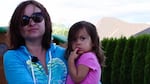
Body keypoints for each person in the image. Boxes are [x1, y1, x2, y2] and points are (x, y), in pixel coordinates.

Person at [3, 0, 67, 84]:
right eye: (24, 20)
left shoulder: (65, 54)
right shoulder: (12, 57)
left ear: (45, 21)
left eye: (37, 17)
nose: (32, 23)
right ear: (17, 27)